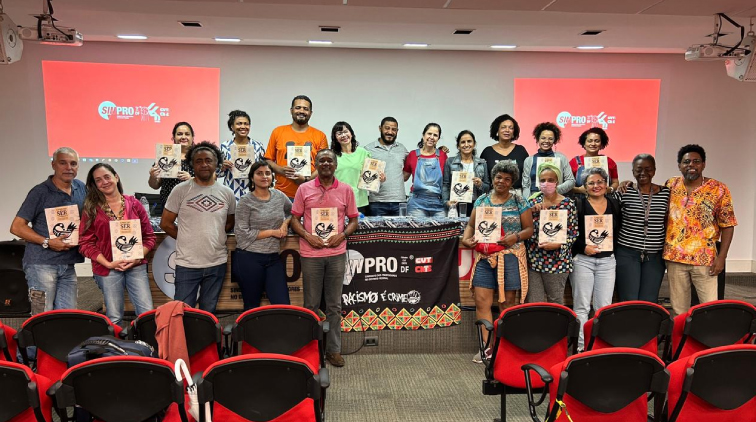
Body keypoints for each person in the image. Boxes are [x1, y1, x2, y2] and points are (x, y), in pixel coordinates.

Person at [290, 149, 359, 368]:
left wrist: (343, 235)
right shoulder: (304, 189)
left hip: (336, 254)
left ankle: (333, 350)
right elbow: (294, 219)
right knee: (310, 305)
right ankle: (310, 350)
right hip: (311, 254)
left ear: (335, 165)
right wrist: (307, 236)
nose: (326, 163)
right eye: (322, 160)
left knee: (334, 305)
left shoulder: (346, 190)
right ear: (316, 165)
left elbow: (354, 220)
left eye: (330, 160)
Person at [461, 161, 532, 363]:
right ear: (492, 179)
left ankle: (504, 349)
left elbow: (529, 229)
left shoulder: (519, 200)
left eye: (507, 179)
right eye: (499, 177)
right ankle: (486, 348)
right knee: (481, 302)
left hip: (509, 257)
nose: (502, 181)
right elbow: (471, 225)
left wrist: (515, 237)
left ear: (512, 182)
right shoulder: (481, 200)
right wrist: (466, 239)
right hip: (484, 258)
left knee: (506, 304)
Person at [160, 141, 236, 313]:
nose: (204, 165)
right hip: (187, 264)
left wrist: (214, 234)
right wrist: (186, 237)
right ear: (192, 165)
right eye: (198, 161)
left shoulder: (227, 193)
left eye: (208, 160)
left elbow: (229, 222)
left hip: (216, 263)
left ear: (217, 163)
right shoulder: (180, 190)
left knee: (208, 312)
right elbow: (166, 223)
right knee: (181, 312)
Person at [663, 144, 736, 316]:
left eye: (696, 161)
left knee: (709, 309)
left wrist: (722, 258)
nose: (691, 165)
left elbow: (728, 225)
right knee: (679, 310)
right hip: (675, 258)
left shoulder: (718, 189)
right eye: (686, 161)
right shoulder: (671, 185)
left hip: (705, 260)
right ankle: (682, 334)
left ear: (703, 164)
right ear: (679, 165)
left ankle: (708, 335)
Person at [10, 147, 85, 313]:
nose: (69, 168)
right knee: (42, 315)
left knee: (68, 316)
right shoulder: (39, 192)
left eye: (73, 164)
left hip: (68, 264)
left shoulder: (81, 188)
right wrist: (47, 242)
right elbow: (17, 226)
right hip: (40, 265)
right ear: (53, 165)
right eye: (63, 163)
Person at [79, 164, 156, 326]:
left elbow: (149, 237)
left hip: (136, 266)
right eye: (98, 180)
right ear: (95, 185)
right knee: (114, 316)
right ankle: (116, 343)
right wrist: (108, 263)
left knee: (146, 312)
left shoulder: (134, 204)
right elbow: (85, 243)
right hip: (107, 268)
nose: (104, 182)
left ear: (116, 177)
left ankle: (145, 342)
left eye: (107, 177)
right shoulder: (91, 209)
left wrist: (137, 257)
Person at [570, 167, 621, 351]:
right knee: (582, 307)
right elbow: (569, 234)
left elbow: (619, 230)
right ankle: (581, 347)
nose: (596, 186)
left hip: (607, 262)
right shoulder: (577, 204)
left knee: (603, 307)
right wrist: (583, 247)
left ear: (606, 184)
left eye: (600, 182)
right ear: (585, 187)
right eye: (591, 183)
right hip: (583, 261)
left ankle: (599, 347)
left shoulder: (615, 204)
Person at [233, 161, 291, 310]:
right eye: (259, 173)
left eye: (267, 173)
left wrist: (285, 223)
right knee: (251, 306)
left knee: (283, 305)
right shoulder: (245, 201)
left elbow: (293, 212)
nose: (264, 176)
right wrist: (272, 232)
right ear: (252, 178)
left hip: (273, 258)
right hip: (249, 257)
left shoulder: (279, 196)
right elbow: (241, 233)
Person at [614, 154, 670, 302]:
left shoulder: (665, 193)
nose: (643, 173)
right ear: (633, 171)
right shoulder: (624, 192)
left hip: (655, 255)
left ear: (654, 170)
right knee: (628, 299)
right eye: (638, 169)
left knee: (649, 300)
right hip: (627, 252)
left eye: (648, 169)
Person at [525, 162, 578, 304]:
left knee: (555, 301)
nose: (546, 183)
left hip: (558, 261)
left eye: (550, 180)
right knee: (533, 302)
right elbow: (523, 227)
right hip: (534, 259)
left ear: (557, 182)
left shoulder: (568, 204)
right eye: (542, 180)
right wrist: (530, 211)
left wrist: (558, 244)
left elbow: (573, 233)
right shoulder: (532, 202)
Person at [264, 95, 329, 200]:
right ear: (291, 110)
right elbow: (268, 160)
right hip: (282, 194)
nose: (301, 111)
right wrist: (281, 170)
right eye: (298, 108)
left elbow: (324, 165)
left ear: (310, 113)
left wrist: (306, 180)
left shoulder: (320, 136)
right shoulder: (278, 132)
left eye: (305, 109)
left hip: (312, 193)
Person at [331, 121, 379, 215]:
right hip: (338, 200)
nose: (343, 135)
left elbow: (370, 175)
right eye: (339, 133)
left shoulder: (363, 152)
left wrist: (379, 178)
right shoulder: (332, 155)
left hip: (359, 201)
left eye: (346, 132)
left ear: (351, 134)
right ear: (335, 138)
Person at [148, 122, 195, 215]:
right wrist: (152, 176)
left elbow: (210, 181)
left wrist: (191, 179)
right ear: (173, 137)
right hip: (168, 206)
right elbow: (155, 185)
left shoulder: (199, 155)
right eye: (179, 134)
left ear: (192, 137)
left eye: (187, 134)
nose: (183, 137)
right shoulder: (165, 155)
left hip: (193, 206)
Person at [364, 117, 408, 216]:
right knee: (377, 227)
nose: (390, 132)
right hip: (377, 202)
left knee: (402, 227)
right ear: (380, 128)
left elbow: (408, 170)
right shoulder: (368, 149)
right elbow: (365, 176)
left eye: (394, 129)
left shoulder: (402, 149)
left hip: (400, 201)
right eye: (387, 128)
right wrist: (376, 179)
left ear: (397, 131)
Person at [403, 123, 448, 218]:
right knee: (418, 228)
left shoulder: (443, 155)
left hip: (438, 202)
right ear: (423, 135)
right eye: (429, 134)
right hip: (417, 203)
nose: (431, 137)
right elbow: (404, 177)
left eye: (435, 135)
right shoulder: (412, 155)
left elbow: (448, 180)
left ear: (438, 139)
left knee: (443, 227)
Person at [219, 110, 265, 202]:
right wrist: (222, 167)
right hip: (231, 192)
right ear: (232, 127)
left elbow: (265, 170)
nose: (243, 127)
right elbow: (218, 174)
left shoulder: (258, 146)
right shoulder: (224, 146)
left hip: (253, 192)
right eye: (239, 124)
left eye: (246, 124)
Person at [443, 130, 490, 217]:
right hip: (456, 204)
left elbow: (487, 187)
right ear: (458, 146)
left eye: (469, 141)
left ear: (474, 144)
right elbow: (446, 185)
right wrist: (446, 202)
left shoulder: (482, 163)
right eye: (463, 142)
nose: (466, 144)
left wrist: (480, 184)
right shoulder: (450, 162)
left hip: (476, 204)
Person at [480, 114, 529, 197]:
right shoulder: (487, 152)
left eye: (511, 128)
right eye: (503, 127)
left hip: (517, 195)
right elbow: (483, 179)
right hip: (494, 195)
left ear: (513, 132)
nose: (507, 130)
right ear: (497, 131)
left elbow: (527, 176)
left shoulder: (521, 150)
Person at [522, 122, 575, 197]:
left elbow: (571, 181)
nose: (546, 141)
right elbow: (525, 185)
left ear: (554, 141)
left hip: (556, 198)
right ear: (538, 139)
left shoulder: (561, 158)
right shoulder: (529, 160)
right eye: (543, 138)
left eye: (550, 139)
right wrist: (527, 201)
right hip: (534, 199)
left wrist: (555, 190)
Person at [569, 128, 619, 196]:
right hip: (580, 200)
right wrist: (579, 190)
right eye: (589, 141)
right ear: (584, 144)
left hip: (605, 199)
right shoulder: (574, 162)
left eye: (597, 141)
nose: (593, 144)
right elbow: (567, 184)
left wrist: (610, 189)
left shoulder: (609, 161)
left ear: (601, 144)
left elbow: (615, 182)